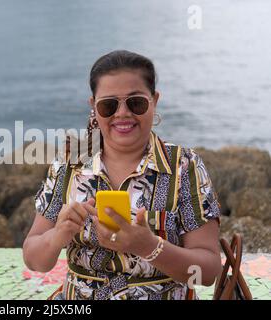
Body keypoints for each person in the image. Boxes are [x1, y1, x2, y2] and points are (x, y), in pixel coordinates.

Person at [22, 50, 222, 300]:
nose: (123, 113)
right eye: (109, 105)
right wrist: (57, 235)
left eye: (136, 102)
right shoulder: (69, 164)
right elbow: (34, 260)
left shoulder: (183, 166)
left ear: (154, 100)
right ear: (93, 107)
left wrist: (148, 247)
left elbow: (207, 272)